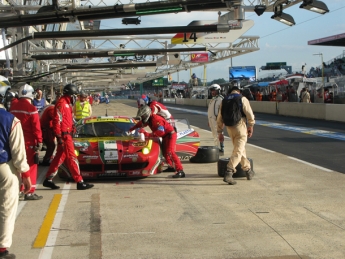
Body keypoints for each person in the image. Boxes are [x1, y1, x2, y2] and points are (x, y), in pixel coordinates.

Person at [43, 84, 94, 190]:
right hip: (64, 136)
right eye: (75, 95)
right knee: (72, 158)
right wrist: (59, 136)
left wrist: (73, 128)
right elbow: (57, 121)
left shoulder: (67, 104)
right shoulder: (62, 104)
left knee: (59, 158)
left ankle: (48, 179)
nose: (76, 97)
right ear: (70, 94)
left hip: (67, 134)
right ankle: (79, 181)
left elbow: (67, 120)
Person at [0, 87, 32, 259]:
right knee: (6, 207)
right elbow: (19, 154)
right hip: (4, 167)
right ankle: (2, 249)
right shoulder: (11, 120)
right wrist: (26, 176)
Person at [129, 105, 185, 178]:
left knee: (170, 152)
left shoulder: (156, 120)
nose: (142, 118)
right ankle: (171, 166)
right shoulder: (149, 119)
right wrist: (131, 129)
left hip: (170, 135)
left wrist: (148, 135)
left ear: (147, 114)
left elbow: (161, 132)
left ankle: (180, 171)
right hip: (166, 136)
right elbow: (140, 124)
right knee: (165, 152)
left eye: (143, 116)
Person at [10, 84, 44, 200]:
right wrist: (39, 141)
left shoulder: (13, 106)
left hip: (14, 140)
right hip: (29, 142)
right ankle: (29, 191)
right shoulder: (32, 109)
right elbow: (36, 127)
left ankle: (19, 189)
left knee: (17, 166)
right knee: (31, 166)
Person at [217, 86, 255, 185]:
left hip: (229, 128)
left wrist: (220, 132)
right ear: (238, 91)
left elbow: (219, 118)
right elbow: (249, 114)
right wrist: (250, 125)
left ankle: (248, 170)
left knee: (240, 149)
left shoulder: (224, 100)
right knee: (238, 150)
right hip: (240, 127)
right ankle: (229, 172)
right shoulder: (242, 98)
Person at [207, 84, 224, 153]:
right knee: (214, 134)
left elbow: (222, 110)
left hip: (218, 120)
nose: (212, 92)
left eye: (214, 90)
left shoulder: (221, 99)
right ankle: (217, 147)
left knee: (219, 134)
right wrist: (209, 120)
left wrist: (222, 121)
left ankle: (221, 148)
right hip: (212, 119)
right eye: (211, 91)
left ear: (218, 90)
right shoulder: (213, 99)